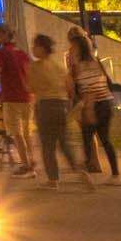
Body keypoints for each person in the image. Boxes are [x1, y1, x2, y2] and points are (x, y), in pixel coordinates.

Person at [29, 33, 89, 190]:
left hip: (45, 106)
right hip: (62, 106)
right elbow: (70, 86)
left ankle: (53, 180)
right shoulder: (59, 65)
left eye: (35, 46)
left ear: (42, 49)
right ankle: (79, 171)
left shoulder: (34, 67)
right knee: (63, 142)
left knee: (47, 145)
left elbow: (30, 88)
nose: (33, 49)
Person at [67, 28, 121, 185]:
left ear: (78, 50)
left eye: (74, 49)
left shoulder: (83, 67)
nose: (71, 51)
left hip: (95, 105)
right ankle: (116, 175)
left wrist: (89, 110)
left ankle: (86, 173)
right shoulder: (95, 62)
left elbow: (90, 90)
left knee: (87, 137)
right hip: (106, 104)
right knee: (105, 140)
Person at [0, 23, 36, 177]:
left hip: (11, 97)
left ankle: (26, 166)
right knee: (27, 132)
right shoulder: (22, 52)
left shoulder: (1, 52)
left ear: (3, 35)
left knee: (17, 133)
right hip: (28, 98)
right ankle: (32, 161)